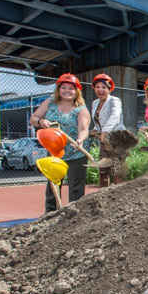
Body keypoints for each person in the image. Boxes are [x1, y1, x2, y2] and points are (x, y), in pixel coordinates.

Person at [29, 73, 90, 213]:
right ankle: (50, 214)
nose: (67, 91)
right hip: (54, 152)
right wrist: (41, 121)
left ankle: (74, 214)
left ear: (77, 91)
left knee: (76, 187)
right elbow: (33, 118)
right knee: (52, 186)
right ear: (58, 89)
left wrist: (80, 139)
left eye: (71, 88)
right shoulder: (50, 103)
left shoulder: (81, 109)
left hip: (75, 152)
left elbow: (84, 129)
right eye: (64, 88)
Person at [90, 73, 126, 187]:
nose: (100, 90)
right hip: (104, 141)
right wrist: (96, 129)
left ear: (109, 89)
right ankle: (103, 195)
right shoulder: (95, 103)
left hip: (117, 139)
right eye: (97, 87)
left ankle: (119, 195)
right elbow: (99, 120)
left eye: (104, 87)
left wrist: (105, 131)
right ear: (94, 88)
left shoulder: (115, 101)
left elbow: (114, 117)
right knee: (103, 169)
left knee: (116, 169)